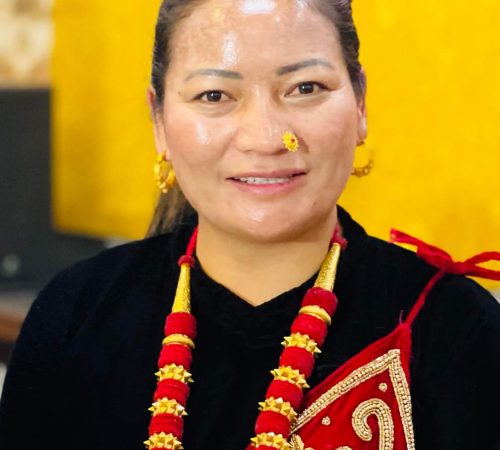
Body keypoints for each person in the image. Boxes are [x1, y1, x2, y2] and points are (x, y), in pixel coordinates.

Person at [1, 0, 499, 449]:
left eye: (305, 88)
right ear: (159, 121)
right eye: (214, 95)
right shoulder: (76, 315)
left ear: (361, 104)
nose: (265, 138)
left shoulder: (454, 329)